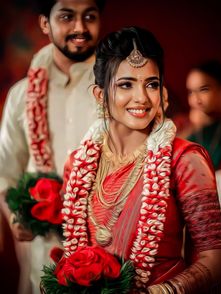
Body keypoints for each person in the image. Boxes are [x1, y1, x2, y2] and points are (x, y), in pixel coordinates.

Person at [61, 27, 221, 293]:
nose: (141, 98)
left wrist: (158, 292)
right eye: (126, 84)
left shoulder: (185, 160)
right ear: (100, 95)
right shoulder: (77, 164)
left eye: (151, 84)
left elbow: (216, 260)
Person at [0, 0, 106, 293]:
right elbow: (5, 172)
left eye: (90, 16)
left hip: (106, 251)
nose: (80, 28)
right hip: (42, 254)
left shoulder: (118, 89)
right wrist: (14, 217)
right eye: (67, 16)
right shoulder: (22, 95)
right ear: (44, 23)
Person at [176, 59, 221, 170]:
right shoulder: (181, 123)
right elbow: (161, 159)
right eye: (190, 92)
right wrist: (193, 128)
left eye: (204, 90)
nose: (195, 100)